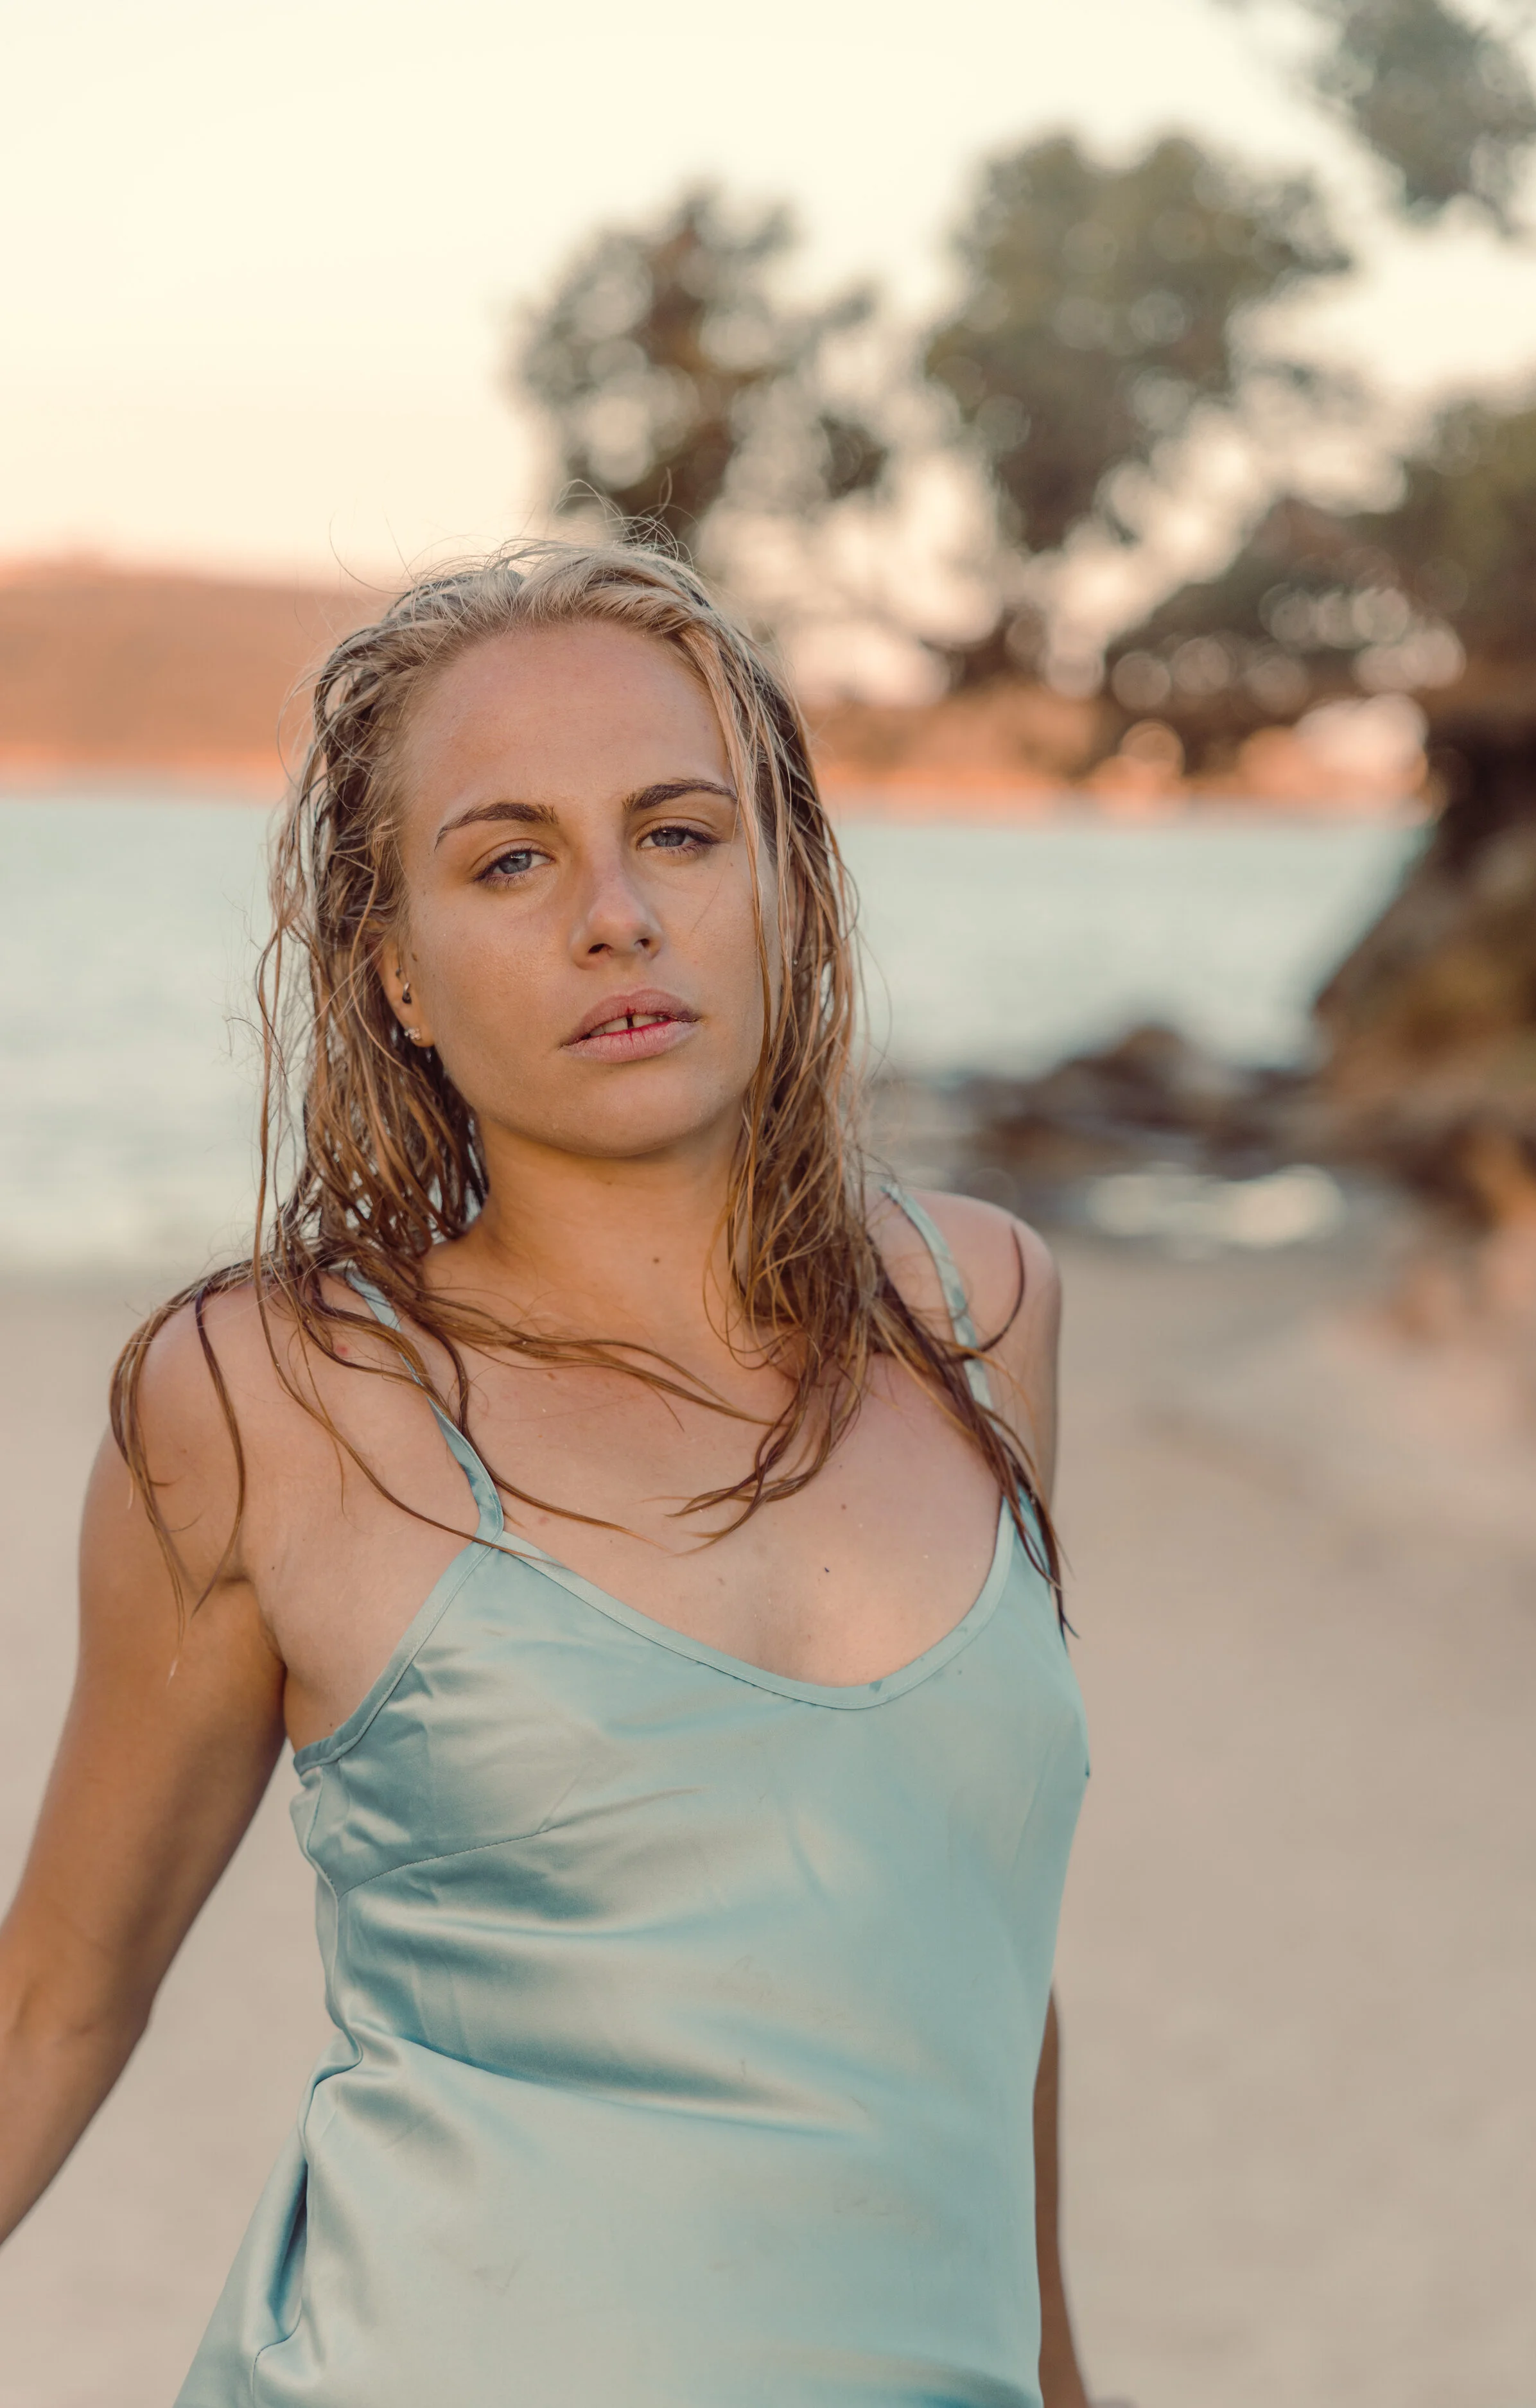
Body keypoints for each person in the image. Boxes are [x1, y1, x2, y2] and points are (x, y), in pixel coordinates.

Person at [0, 541, 1092, 2406]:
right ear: (396, 972)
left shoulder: (979, 1309)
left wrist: (1063, 2381)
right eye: (509, 859)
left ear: (780, 885)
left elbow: (977, 1937)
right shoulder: (267, 1397)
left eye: (677, 831)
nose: (614, 915)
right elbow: (61, 1992)